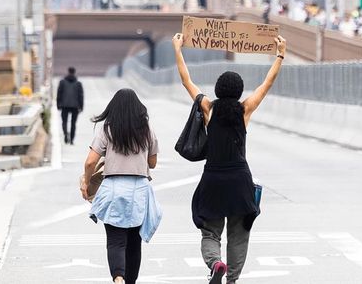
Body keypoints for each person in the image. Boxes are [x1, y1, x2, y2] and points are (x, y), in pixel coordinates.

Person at [172, 32, 287, 284]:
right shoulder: (245, 109)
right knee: (238, 234)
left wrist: (178, 50)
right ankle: (232, 280)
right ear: (238, 91)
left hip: (213, 179)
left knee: (210, 232)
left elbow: (186, 80)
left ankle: (216, 263)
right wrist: (280, 55)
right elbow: (266, 84)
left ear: (217, 89)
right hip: (239, 180)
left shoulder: (208, 108)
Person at [81, 88, 161, 284]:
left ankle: (118, 278)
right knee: (134, 243)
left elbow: (90, 162)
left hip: (113, 188)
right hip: (139, 190)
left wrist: (86, 181)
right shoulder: (146, 129)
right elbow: (152, 163)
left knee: (116, 241)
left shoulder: (107, 128)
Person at [57, 67, 84, 145]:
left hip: (64, 105)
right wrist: (81, 106)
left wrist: (58, 104)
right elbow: (81, 96)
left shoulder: (62, 82)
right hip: (75, 106)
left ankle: (66, 133)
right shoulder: (78, 84)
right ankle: (72, 140)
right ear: (74, 72)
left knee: (64, 121)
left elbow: (59, 94)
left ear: (68, 72)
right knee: (73, 123)